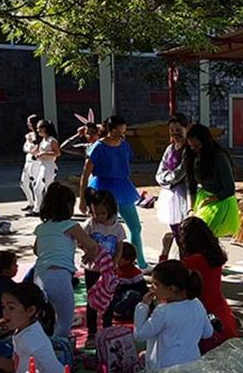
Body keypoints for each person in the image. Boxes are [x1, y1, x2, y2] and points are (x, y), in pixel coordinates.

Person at [79, 115, 148, 269]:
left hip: (123, 188)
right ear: (109, 130)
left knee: (135, 227)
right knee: (108, 230)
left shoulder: (124, 145)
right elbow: (85, 173)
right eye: (117, 132)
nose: (121, 136)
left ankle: (140, 262)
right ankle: (107, 261)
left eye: (123, 132)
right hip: (103, 190)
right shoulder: (98, 147)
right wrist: (83, 199)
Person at [161, 216, 238, 352]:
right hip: (218, 306)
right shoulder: (214, 255)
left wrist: (165, 251)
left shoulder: (193, 261)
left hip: (200, 309)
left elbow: (165, 276)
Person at [33, 182, 98, 338]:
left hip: (40, 276)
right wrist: (89, 255)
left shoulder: (42, 228)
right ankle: (59, 348)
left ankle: (45, 344)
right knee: (65, 318)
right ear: (69, 206)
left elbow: (36, 250)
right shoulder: (71, 225)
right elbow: (92, 245)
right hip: (59, 275)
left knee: (46, 316)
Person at [134, 260, 214, 371]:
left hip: (164, 372)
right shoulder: (196, 303)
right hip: (192, 367)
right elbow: (207, 333)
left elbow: (139, 335)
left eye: (156, 284)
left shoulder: (163, 311)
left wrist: (142, 307)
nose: (152, 287)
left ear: (172, 288)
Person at [0, 282, 65, 373]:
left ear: (30, 311)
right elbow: (16, 366)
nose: (5, 313)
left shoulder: (31, 338)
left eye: (11, 308)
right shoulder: (21, 331)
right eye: (3, 307)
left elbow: (56, 368)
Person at [82, 188, 126, 346]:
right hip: (92, 269)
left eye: (102, 213)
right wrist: (88, 251)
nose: (99, 217)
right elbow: (82, 241)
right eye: (96, 213)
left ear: (111, 210)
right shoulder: (90, 224)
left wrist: (115, 261)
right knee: (92, 300)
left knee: (109, 299)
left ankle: (107, 328)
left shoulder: (117, 227)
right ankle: (92, 332)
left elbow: (120, 247)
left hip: (109, 271)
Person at [185, 123, 240, 237]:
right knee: (195, 234)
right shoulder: (191, 156)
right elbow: (191, 186)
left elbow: (230, 189)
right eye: (191, 146)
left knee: (200, 235)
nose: (194, 149)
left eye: (197, 146)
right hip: (204, 197)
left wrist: (209, 200)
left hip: (220, 201)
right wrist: (190, 209)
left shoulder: (219, 157)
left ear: (205, 142)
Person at [155, 113, 190, 244]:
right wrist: (165, 179)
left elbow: (180, 173)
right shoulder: (170, 149)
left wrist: (167, 179)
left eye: (179, 130)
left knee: (186, 231)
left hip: (184, 194)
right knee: (176, 232)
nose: (175, 133)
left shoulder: (188, 149)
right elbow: (159, 172)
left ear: (186, 129)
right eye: (172, 131)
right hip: (169, 194)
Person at [113, 242, 149, 320]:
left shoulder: (135, 273)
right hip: (117, 297)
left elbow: (143, 291)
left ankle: (118, 311)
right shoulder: (114, 269)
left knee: (132, 295)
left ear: (127, 260)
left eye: (119, 257)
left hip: (130, 300)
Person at [30, 119, 61, 214]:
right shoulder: (43, 140)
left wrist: (44, 153)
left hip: (49, 166)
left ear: (44, 128)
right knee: (37, 188)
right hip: (42, 165)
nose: (37, 130)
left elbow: (57, 153)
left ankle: (51, 209)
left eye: (39, 128)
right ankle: (39, 208)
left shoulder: (52, 140)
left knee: (48, 188)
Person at [20, 114, 42, 212]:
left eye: (29, 122)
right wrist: (29, 147)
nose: (27, 124)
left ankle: (38, 206)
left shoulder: (39, 136)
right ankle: (30, 203)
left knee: (35, 184)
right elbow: (25, 148)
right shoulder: (28, 135)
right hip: (28, 161)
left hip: (35, 162)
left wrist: (31, 145)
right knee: (23, 183)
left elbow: (34, 149)